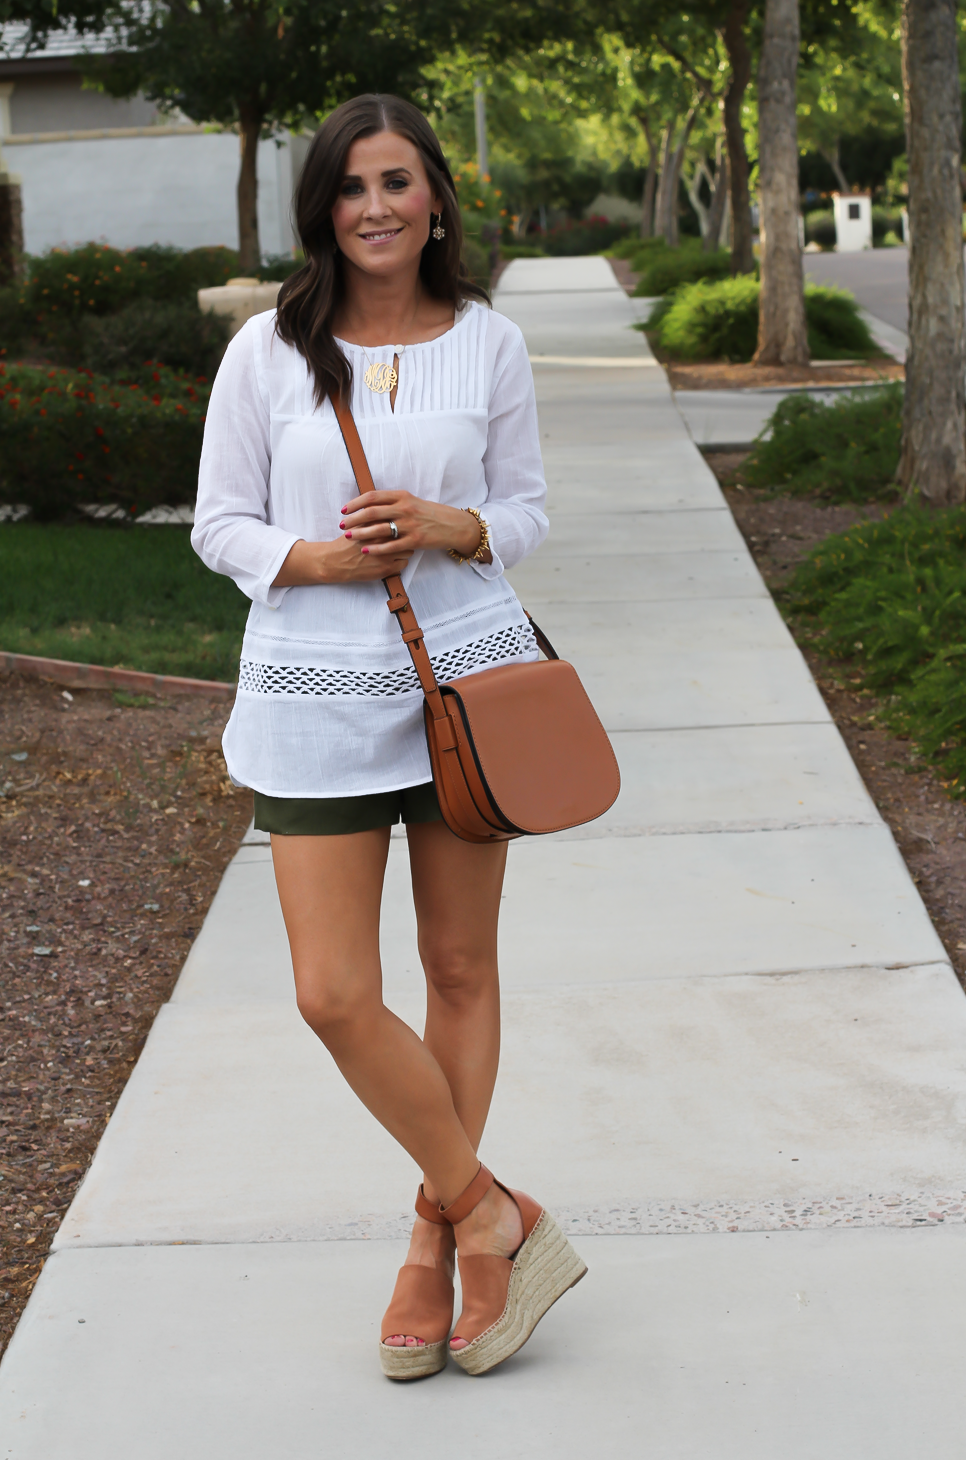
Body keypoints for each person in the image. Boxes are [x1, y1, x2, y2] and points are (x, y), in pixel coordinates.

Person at [192, 93, 586, 1380]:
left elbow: (523, 511)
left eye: (398, 181)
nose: (375, 206)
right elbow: (218, 523)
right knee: (331, 992)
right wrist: (309, 556)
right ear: (324, 205)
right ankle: (492, 1208)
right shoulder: (267, 350)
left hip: (463, 689)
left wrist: (452, 526)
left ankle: (434, 1250)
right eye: (352, 185)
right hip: (312, 697)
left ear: (433, 200)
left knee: (459, 970)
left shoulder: (489, 341)